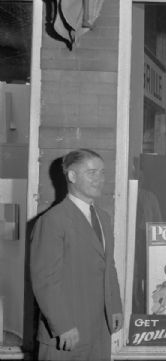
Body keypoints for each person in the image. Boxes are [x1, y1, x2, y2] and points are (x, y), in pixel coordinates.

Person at [30, 149, 123, 361]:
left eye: (102, 172)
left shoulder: (103, 218)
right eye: (92, 173)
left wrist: (115, 307)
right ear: (72, 176)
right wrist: (62, 325)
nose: (99, 179)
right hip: (65, 335)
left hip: (99, 330)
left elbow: (109, 267)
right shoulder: (53, 220)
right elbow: (45, 280)